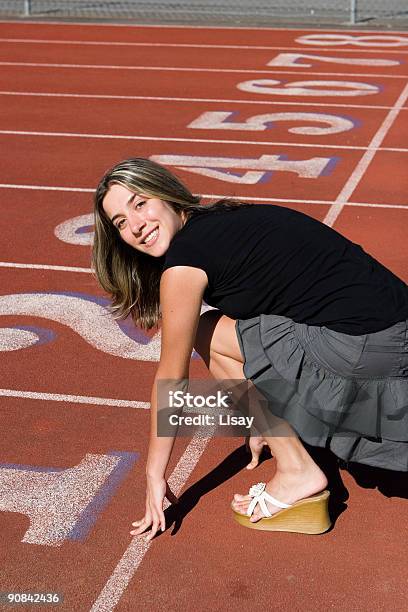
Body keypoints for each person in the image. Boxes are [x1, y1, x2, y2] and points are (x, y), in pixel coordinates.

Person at [93, 157, 408, 539]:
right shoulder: (223, 223)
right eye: (121, 223)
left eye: (139, 204)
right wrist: (260, 411)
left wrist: (154, 475)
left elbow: (172, 377)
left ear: (167, 195)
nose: (136, 226)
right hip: (394, 326)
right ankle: (287, 443)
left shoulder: (185, 264)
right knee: (235, 333)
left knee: (206, 332)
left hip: (367, 345)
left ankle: (297, 471)